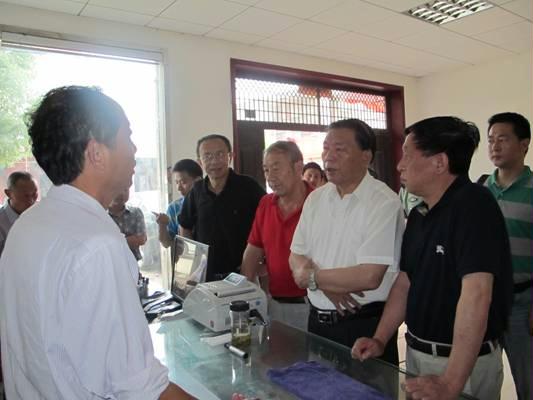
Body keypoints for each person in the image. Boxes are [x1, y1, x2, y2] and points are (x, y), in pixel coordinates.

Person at [0, 86, 193, 399]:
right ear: (96, 153)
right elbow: (142, 389)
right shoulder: (98, 245)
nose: (134, 149)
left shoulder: (28, 225)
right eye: (127, 136)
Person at [353, 116, 513, 400]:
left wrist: (451, 382)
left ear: (439, 162)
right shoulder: (420, 214)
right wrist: (380, 338)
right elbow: (405, 282)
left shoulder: (475, 205)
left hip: (460, 365)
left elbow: (477, 294)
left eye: (407, 154)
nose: (399, 165)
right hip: (417, 353)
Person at [289, 118, 404, 365]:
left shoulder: (383, 202)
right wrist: (325, 285)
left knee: (366, 386)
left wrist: (312, 278)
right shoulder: (316, 199)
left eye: (340, 149)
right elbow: (296, 255)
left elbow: (369, 276)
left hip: (361, 325)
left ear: (366, 157)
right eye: (326, 148)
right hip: (316, 322)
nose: (328, 157)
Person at [481, 112, 532, 400]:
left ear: (524, 144)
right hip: (485, 301)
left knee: (528, 381)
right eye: (491, 140)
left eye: (503, 139)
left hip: (523, 303)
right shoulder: (481, 191)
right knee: (485, 377)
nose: (495, 146)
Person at [241, 141, 312, 331]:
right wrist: (245, 294)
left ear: (298, 167)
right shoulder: (266, 203)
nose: (270, 177)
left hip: (313, 304)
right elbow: (252, 251)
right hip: (275, 304)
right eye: (266, 170)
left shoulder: (318, 202)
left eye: (276, 168)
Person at [178, 134, 265, 281]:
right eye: (207, 156)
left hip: (243, 273)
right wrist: (194, 260)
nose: (214, 161)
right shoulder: (196, 191)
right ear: (200, 162)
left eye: (220, 154)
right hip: (205, 274)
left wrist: (263, 261)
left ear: (230, 156)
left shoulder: (248, 186)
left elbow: (267, 223)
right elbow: (185, 226)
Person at [155, 159, 203, 248]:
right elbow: (166, 243)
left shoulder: (209, 204)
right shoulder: (174, 208)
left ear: (198, 181)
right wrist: (162, 225)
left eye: (183, 182)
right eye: (177, 182)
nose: (179, 188)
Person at [0, 171, 38, 257]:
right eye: (25, 196)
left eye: (34, 194)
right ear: (8, 193)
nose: (31, 200)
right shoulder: (1, 224)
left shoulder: (42, 212)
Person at [108, 188, 147, 262]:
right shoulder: (101, 215)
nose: (121, 193)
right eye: (117, 188)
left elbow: (142, 239)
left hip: (133, 262)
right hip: (109, 263)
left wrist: (113, 243)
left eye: (125, 189)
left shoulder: (136, 212)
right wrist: (131, 239)